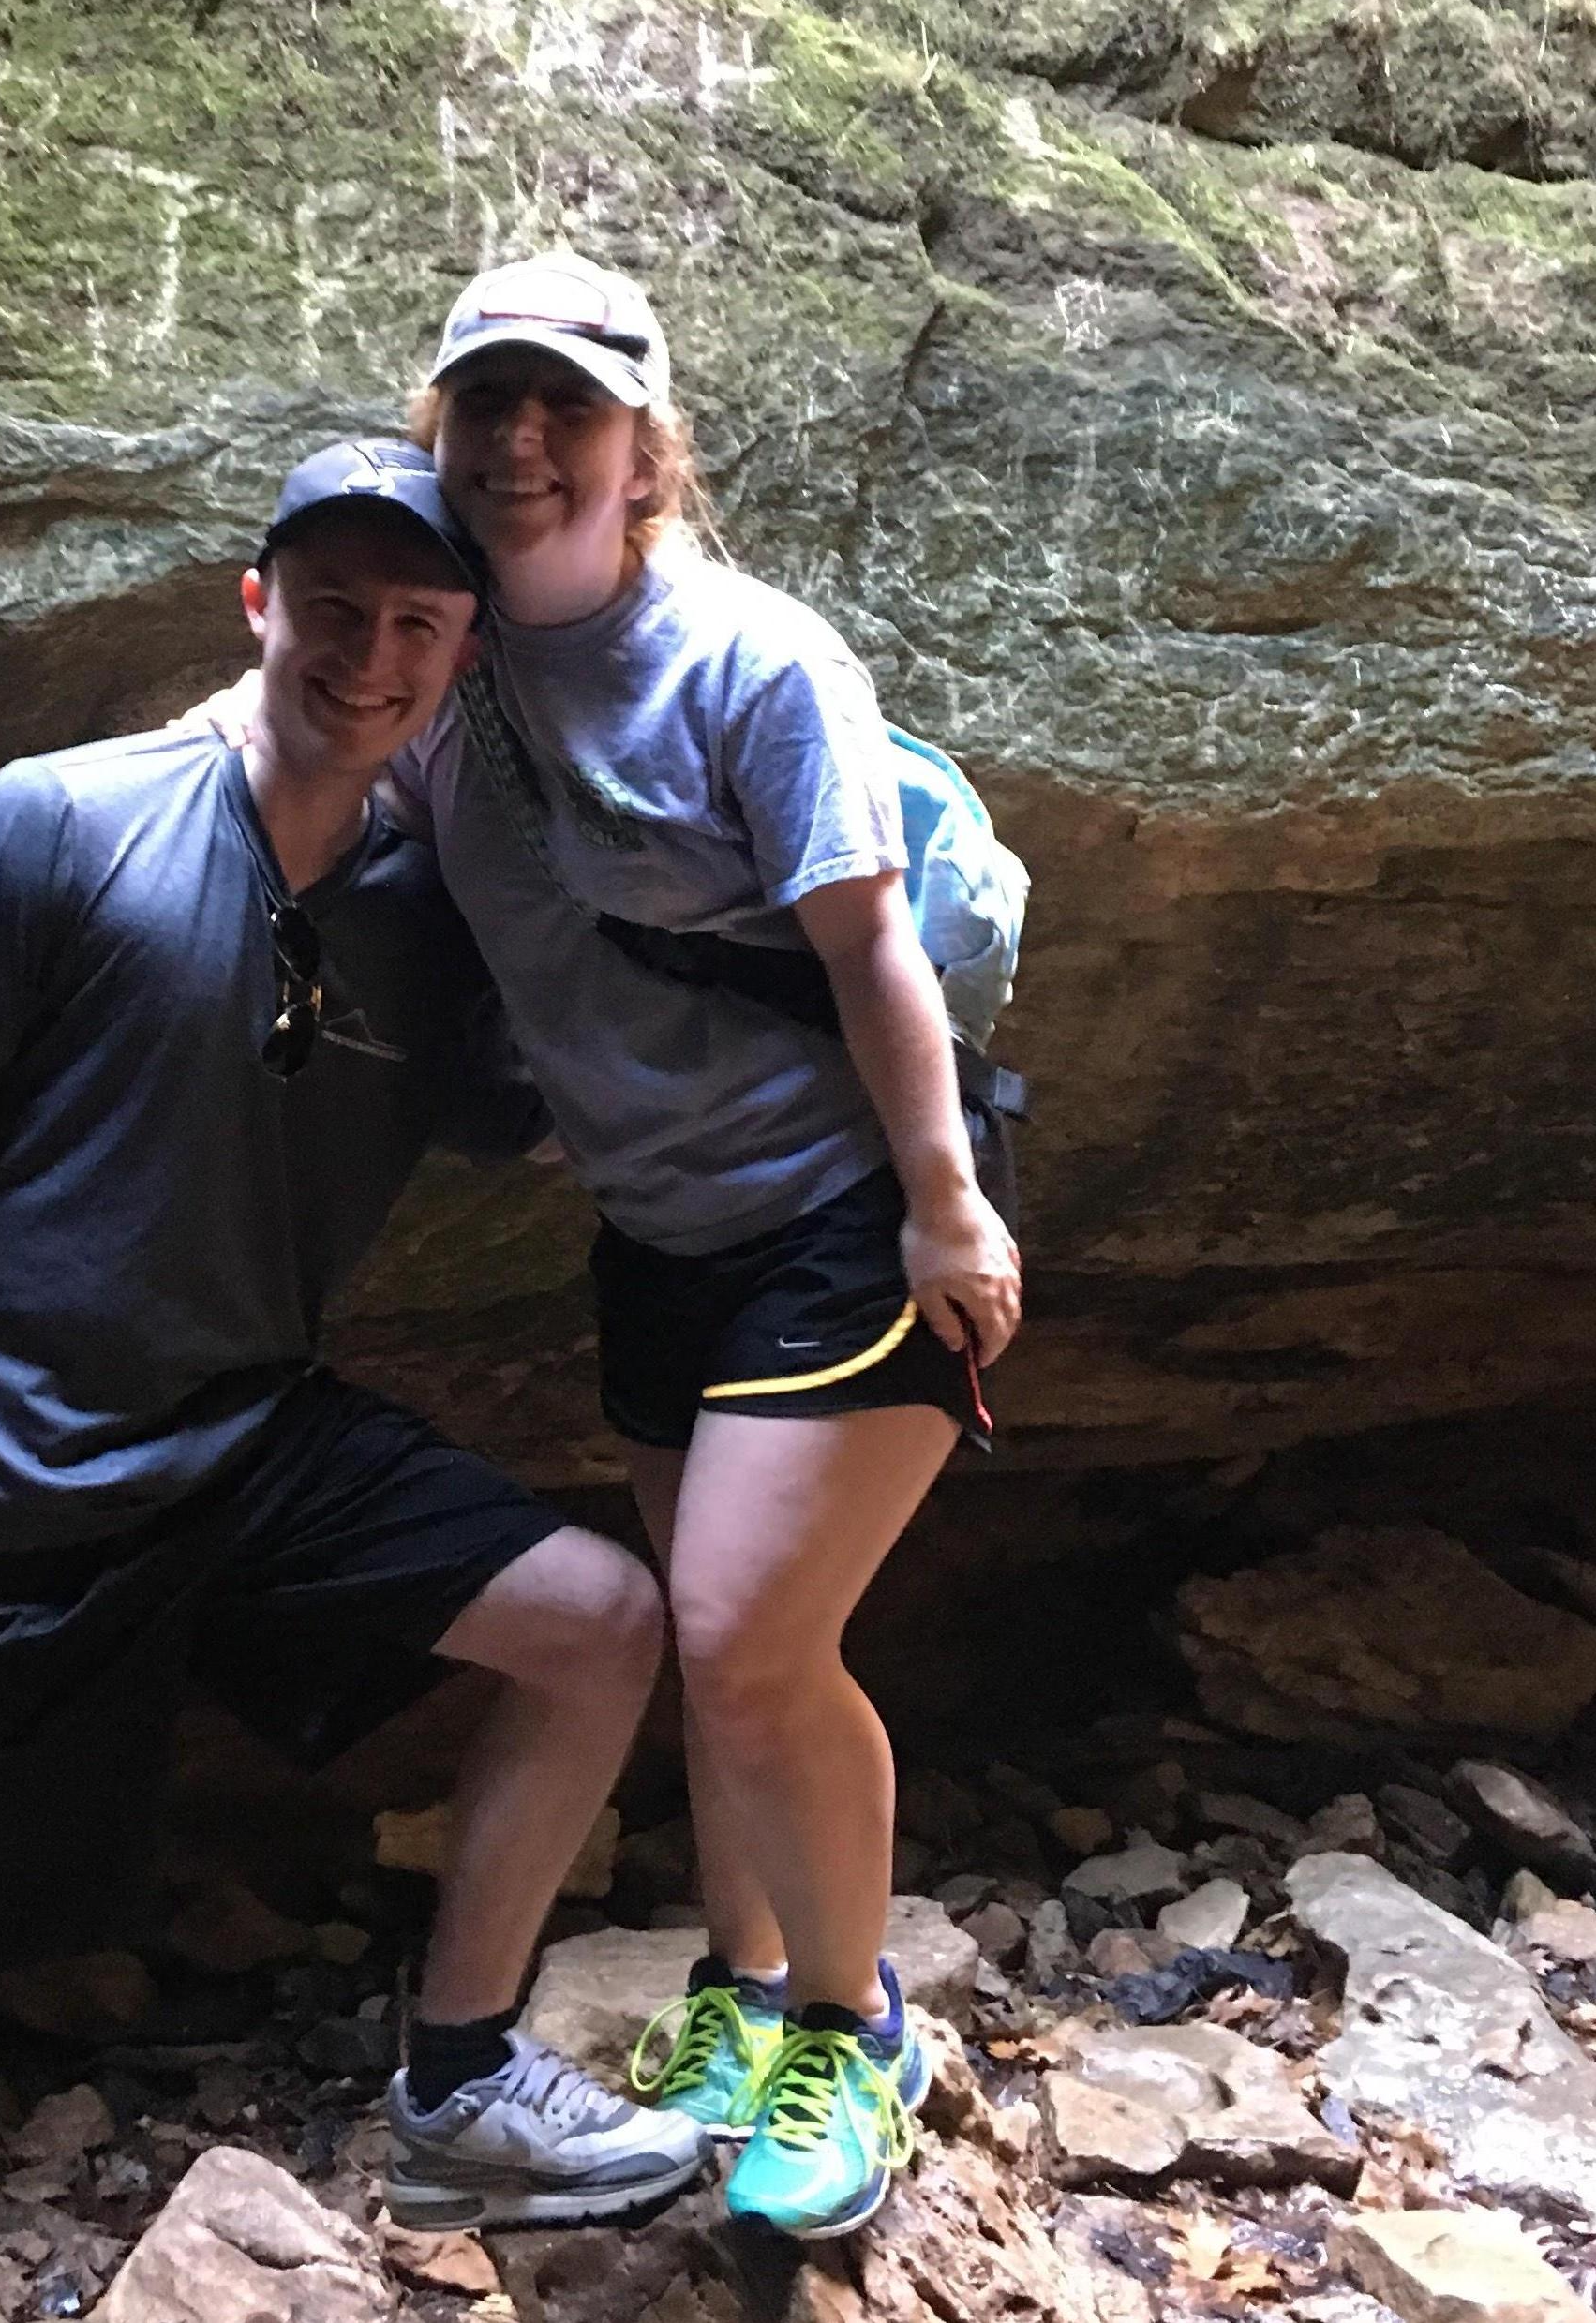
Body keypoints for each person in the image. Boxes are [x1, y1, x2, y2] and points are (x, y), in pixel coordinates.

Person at [0, 439, 708, 2323]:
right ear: (254, 599)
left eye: (417, 625)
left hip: (248, 1438)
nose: (368, 656)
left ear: (459, 660)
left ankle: (456, 2084)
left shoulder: (428, 909)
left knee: (601, 1619)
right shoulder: (63, 817)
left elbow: (593, 1096)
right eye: (334, 607)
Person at [391, 255, 1025, 2239]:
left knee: (745, 1638)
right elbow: (273, 752)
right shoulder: (445, 671)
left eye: (562, 408)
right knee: (713, 1646)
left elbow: (866, 947)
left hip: (845, 1220)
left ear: (639, 450)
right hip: (655, 1230)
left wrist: (942, 1197)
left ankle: (854, 2023)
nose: (517, 444)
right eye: (483, 405)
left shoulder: (754, 661)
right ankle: (746, 1991)